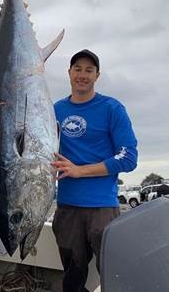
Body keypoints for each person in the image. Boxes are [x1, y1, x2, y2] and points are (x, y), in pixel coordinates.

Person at [51, 49, 138, 292]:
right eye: (77, 69)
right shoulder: (54, 110)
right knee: (72, 277)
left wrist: (80, 171)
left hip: (102, 209)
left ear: (97, 75)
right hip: (67, 208)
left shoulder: (112, 108)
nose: (82, 75)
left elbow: (129, 157)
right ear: (69, 72)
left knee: (113, 274)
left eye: (89, 70)